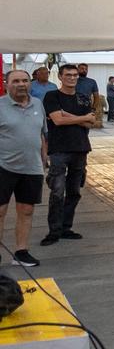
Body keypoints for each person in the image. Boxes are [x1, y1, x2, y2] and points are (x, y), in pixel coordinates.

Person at [39, 64, 95, 246]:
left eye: (75, 75)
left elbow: (90, 123)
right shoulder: (52, 96)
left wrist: (67, 115)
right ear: (60, 77)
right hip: (59, 150)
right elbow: (57, 120)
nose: (72, 78)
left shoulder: (83, 98)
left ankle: (66, 227)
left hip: (80, 148)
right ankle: (54, 231)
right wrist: (81, 118)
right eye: (68, 75)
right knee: (57, 191)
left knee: (74, 191)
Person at [0, 70, 47, 268]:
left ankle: (21, 252)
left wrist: (44, 161)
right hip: (3, 166)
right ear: (6, 83)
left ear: (30, 83)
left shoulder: (37, 103)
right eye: (16, 81)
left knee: (26, 211)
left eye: (25, 80)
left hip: (32, 167)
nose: (21, 84)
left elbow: (42, 134)